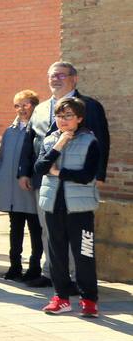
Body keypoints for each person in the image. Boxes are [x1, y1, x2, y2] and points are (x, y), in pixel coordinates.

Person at [19, 61, 110, 288]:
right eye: (52, 75)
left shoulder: (89, 106)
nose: (55, 79)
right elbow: (30, 142)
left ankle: (74, 278)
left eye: (61, 75)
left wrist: (99, 174)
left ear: (74, 78)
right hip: (46, 182)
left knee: (75, 234)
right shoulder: (39, 109)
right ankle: (52, 274)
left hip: (75, 182)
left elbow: (101, 140)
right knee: (48, 230)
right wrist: (24, 171)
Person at [35, 97, 102, 316]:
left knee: (84, 254)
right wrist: (60, 143)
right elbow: (40, 167)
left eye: (68, 115)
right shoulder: (50, 140)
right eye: (59, 116)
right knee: (56, 255)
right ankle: (61, 298)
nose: (62, 120)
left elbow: (86, 176)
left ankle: (89, 300)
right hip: (54, 206)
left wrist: (58, 173)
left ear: (79, 118)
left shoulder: (90, 141)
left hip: (79, 209)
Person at [0, 90, 43, 282]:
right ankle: (15, 266)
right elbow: (1, 158)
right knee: (15, 228)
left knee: (35, 230)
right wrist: (1, 175)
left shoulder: (39, 130)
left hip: (29, 189)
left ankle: (34, 267)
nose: (21, 109)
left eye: (26, 105)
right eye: (17, 105)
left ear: (34, 106)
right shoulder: (10, 131)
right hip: (12, 190)